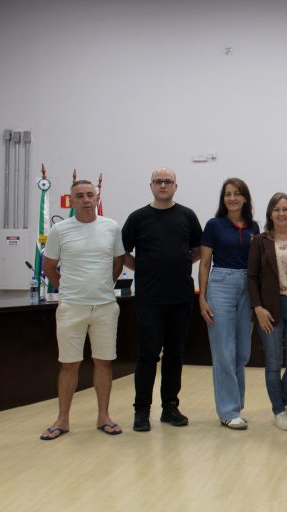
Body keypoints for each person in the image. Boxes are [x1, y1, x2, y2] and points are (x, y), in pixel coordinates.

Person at [39, 180, 125, 440]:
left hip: (105, 307)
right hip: (71, 308)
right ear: (71, 201)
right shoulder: (59, 230)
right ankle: (62, 420)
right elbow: (49, 267)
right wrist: (68, 291)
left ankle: (104, 416)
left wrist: (101, 288)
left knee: (104, 362)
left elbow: (118, 263)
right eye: (80, 196)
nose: (86, 199)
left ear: (97, 198)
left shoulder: (111, 227)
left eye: (90, 195)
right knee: (69, 364)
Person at [122, 167, 202, 432]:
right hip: (149, 299)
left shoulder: (187, 216)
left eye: (168, 182)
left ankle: (170, 407)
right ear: (151, 186)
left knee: (175, 354)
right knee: (147, 355)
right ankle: (142, 411)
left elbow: (198, 249)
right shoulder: (138, 218)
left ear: (175, 186)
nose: (163, 185)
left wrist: (179, 264)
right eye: (158, 181)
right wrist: (144, 268)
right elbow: (122, 253)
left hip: (181, 298)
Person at [198, 178, 259, 430]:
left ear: (245, 198)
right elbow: (204, 264)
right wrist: (202, 298)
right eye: (227, 194)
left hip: (248, 286)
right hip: (221, 283)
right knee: (224, 350)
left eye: (236, 194)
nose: (231, 198)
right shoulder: (214, 225)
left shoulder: (254, 226)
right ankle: (228, 410)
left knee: (242, 352)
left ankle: (236, 405)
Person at [248, 193, 287, 431]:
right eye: (277, 209)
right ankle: (278, 411)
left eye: (286, 209)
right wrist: (258, 308)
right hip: (271, 309)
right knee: (274, 363)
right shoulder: (260, 241)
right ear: (270, 214)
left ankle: (282, 403)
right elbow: (252, 278)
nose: (282, 213)